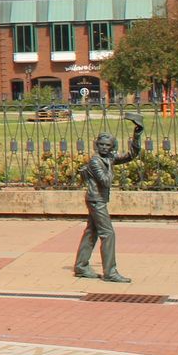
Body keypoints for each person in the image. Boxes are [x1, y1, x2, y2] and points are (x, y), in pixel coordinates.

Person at [75, 116, 144, 283]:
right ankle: (110, 272)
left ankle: (81, 266)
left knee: (92, 232)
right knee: (108, 233)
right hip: (96, 200)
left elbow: (131, 156)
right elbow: (105, 180)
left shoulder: (107, 158)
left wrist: (137, 134)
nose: (105, 148)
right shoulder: (96, 162)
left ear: (112, 146)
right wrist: (111, 163)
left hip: (98, 199)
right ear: (96, 145)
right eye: (102, 145)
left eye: (108, 145)